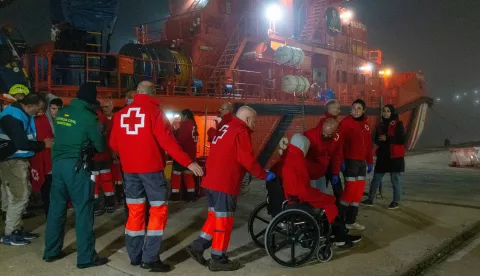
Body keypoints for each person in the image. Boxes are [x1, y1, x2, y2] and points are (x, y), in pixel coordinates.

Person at [109, 81, 204, 272]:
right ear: (153, 94)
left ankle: (135, 256)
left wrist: (130, 156)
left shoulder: (120, 115)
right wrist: (189, 162)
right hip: (151, 171)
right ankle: (150, 258)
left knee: (135, 212)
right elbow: (169, 143)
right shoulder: (155, 113)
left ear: (136, 93)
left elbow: (113, 144)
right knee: (157, 212)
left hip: (129, 171)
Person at [186, 106, 275, 272]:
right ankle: (218, 258)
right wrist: (264, 175)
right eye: (254, 120)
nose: (255, 124)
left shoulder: (227, 128)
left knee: (214, 218)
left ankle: (198, 246)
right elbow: (247, 159)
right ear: (247, 119)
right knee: (224, 222)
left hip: (211, 182)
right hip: (224, 184)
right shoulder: (241, 132)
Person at [43, 83, 109, 268]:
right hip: (77, 166)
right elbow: (100, 147)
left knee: (56, 209)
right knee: (83, 210)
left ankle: (51, 251)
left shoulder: (63, 112)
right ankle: (86, 258)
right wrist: (101, 133)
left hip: (57, 165)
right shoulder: (90, 117)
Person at [270, 133, 361, 246]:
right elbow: (303, 189)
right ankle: (340, 236)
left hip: (286, 197)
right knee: (331, 203)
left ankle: (335, 230)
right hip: (296, 198)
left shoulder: (287, 157)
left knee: (325, 198)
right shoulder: (298, 161)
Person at [0, 93, 52, 246]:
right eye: (39, 109)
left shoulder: (18, 113)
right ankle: (10, 233)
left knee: (18, 195)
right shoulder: (13, 116)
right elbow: (21, 143)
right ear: (32, 105)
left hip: (15, 160)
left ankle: (16, 228)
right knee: (19, 197)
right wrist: (43, 145)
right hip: (12, 161)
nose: (39, 112)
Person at [337, 99, 373, 231]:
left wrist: (370, 161)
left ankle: (351, 221)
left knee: (358, 193)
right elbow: (339, 144)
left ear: (364, 110)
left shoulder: (366, 125)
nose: (356, 111)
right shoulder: (345, 123)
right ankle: (340, 220)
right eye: (354, 108)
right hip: (350, 161)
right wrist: (341, 160)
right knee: (350, 191)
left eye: (359, 108)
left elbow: (368, 146)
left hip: (362, 163)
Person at [362, 105, 405, 209]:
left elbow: (402, 139)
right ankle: (370, 199)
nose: (385, 113)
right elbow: (376, 139)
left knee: (395, 179)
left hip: (394, 157)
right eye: (384, 111)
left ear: (392, 113)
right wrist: (379, 140)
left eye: (388, 111)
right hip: (383, 156)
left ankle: (396, 201)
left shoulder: (398, 124)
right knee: (376, 178)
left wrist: (387, 138)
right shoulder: (380, 126)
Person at [30, 96, 63, 217]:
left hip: (57, 161)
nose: (54, 112)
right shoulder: (41, 120)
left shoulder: (62, 121)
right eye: (52, 108)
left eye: (57, 109)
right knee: (48, 190)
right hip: (46, 161)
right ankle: (50, 215)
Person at [304, 100, 342, 195]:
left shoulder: (336, 126)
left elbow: (337, 151)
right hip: (320, 165)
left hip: (326, 163)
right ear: (329, 109)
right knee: (318, 191)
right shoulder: (325, 127)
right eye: (336, 108)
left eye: (339, 108)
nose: (339, 110)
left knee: (322, 190)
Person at [92, 103, 116, 216]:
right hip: (106, 156)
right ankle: (110, 204)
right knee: (107, 181)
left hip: (93, 156)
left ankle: (96, 207)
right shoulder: (106, 120)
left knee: (94, 183)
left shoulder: (90, 119)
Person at [171, 109, 199, 202]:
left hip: (183, 155)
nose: (181, 118)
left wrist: (175, 132)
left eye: (181, 116)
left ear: (185, 116)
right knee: (188, 175)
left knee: (176, 174)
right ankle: (191, 197)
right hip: (192, 155)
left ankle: (175, 197)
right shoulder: (194, 125)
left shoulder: (185, 125)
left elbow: (180, 140)